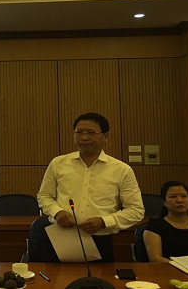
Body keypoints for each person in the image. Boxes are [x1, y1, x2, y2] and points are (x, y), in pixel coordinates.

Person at [37, 112, 145, 262]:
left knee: (100, 278)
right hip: (61, 238)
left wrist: (104, 221)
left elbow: (136, 210)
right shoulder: (58, 163)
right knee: (56, 277)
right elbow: (44, 196)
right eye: (79, 132)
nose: (84, 138)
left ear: (106, 136)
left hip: (100, 240)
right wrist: (57, 212)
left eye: (91, 133)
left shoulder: (121, 170)